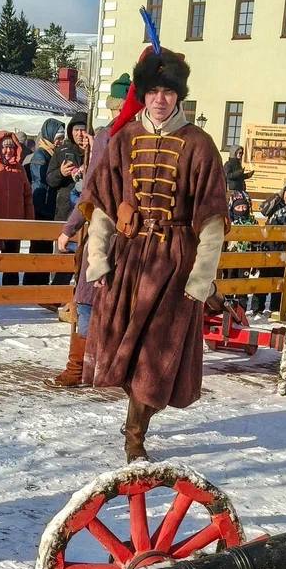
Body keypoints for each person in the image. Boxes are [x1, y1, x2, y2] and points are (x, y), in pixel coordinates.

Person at [81, 47, 227, 462]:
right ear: (142, 94)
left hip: (175, 263)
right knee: (125, 349)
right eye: (153, 91)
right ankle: (134, 422)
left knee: (157, 354)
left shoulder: (199, 144)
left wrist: (201, 279)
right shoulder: (124, 139)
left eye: (168, 91)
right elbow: (105, 207)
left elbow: (212, 222)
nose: (160, 99)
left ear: (179, 96)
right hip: (129, 261)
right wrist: (99, 260)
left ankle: (135, 434)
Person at [49, 79, 126, 388]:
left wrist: (69, 229)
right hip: (120, 233)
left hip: (112, 235)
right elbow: (92, 192)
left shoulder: (111, 137)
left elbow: (90, 191)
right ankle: (89, 366)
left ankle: (81, 366)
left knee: (89, 300)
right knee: (106, 301)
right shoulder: (126, 136)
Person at [0, 130, 33, 289]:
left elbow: (27, 196)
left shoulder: (19, 169)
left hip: (14, 223)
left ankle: (10, 293)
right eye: (4, 147)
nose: (8, 150)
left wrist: (29, 222)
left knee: (12, 262)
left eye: (11, 147)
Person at [253, 177, 286, 316]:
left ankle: (276, 308)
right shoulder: (277, 203)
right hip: (268, 247)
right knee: (263, 278)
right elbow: (264, 210)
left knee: (279, 280)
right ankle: (257, 308)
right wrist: (277, 196)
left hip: (283, 250)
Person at [24, 118, 64, 286]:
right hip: (42, 208)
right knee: (39, 250)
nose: (60, 141)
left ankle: (38, 285)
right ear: (49, 135)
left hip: (47, 208)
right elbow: (41, 183)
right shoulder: (41, 156)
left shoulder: (53, 153)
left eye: (62, 138)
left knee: (44, 249)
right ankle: (33, 285)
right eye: (58, 137)